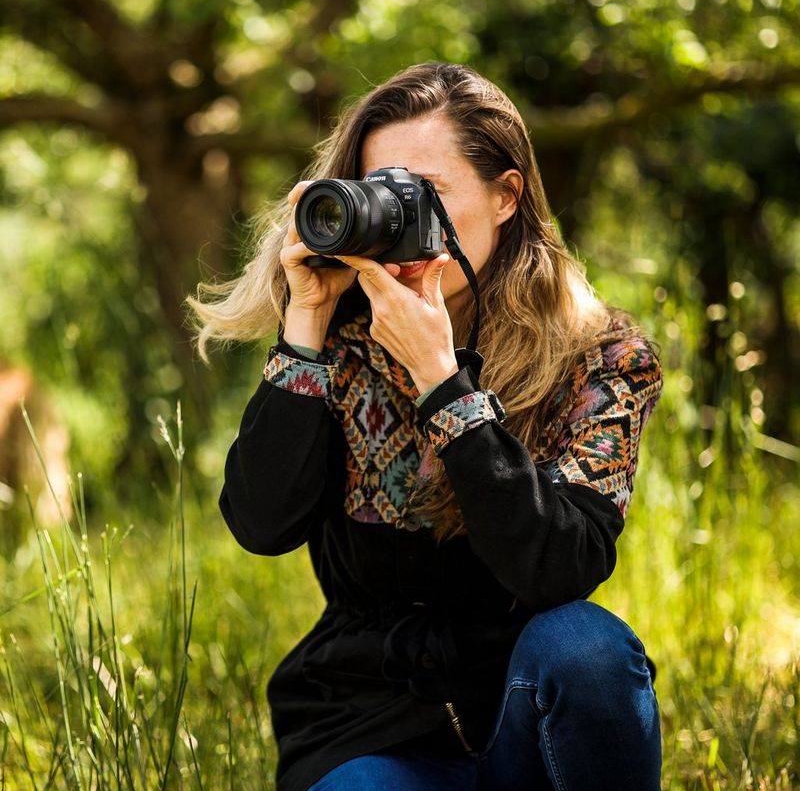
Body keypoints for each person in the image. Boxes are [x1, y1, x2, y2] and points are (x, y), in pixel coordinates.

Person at [190, 62, 663, 791]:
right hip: (369, 724)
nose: (399, 216)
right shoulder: (342, 344)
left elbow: (561, 568)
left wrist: (445, 385)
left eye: (427, 194)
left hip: (523, 717)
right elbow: (261, 525)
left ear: (507, 195)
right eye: (383, 191)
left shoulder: (600, 359)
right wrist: (306, 324)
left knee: (588, 649)